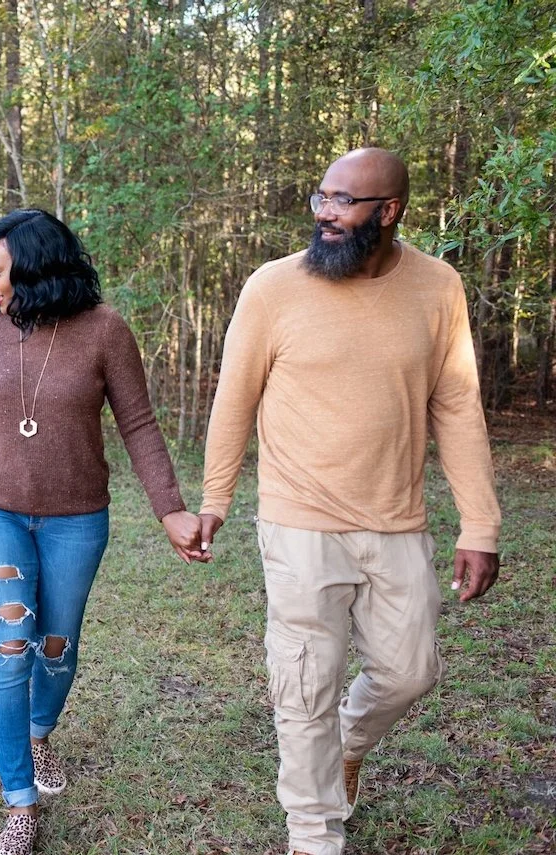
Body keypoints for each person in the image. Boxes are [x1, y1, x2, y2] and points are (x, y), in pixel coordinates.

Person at [198, 147, 502, 855]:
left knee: (411, 671)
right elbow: (233, 398)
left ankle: (348, 742)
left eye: (344, 202)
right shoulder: (274, 288)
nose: (326, 214)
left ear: (389, 211)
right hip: (299, 522)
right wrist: (216, 497)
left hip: (396, 521)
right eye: (322, 197)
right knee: (304, 684)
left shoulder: (437, 286)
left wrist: (480, 524)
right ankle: (314, 834)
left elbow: (457, 405)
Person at [0, 209, 206, 855]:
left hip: (76, 518)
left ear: (37, 267)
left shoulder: (105, 330)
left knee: (56, 646)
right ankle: (19, 802)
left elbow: (138, 424)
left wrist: (170, 510)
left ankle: (38, 732)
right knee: (9, 646)